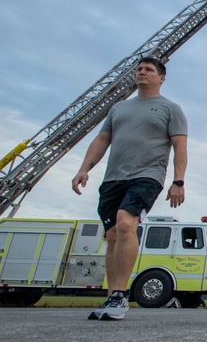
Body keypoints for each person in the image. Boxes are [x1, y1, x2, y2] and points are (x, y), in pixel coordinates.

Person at [72, 57, 187, 321]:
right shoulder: (119, 108)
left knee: (126, 223)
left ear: (161, 78)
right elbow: (102, 140)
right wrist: (84, 169)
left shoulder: (171, 109)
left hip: (148, 175)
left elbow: (180, 147)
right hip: (113, 177)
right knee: (112, 234)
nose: (142, 72)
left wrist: (178, 181)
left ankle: (120, 296)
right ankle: (112, 295)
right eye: (139, 69)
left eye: (148, 70)